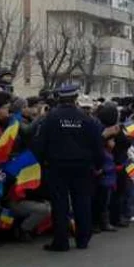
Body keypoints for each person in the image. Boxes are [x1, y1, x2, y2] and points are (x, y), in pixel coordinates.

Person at [33, 84, 104, 252]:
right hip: (82, 166)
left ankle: (61, 241)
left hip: (57, 167)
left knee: (60, 204)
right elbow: (97, 144)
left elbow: (40, 143)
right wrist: (99, 165)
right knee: (82, 202)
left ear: (59, 98)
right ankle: (83, 239)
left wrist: (41, 162)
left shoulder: (51, 118)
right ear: (75, 98)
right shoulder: (87, 119)